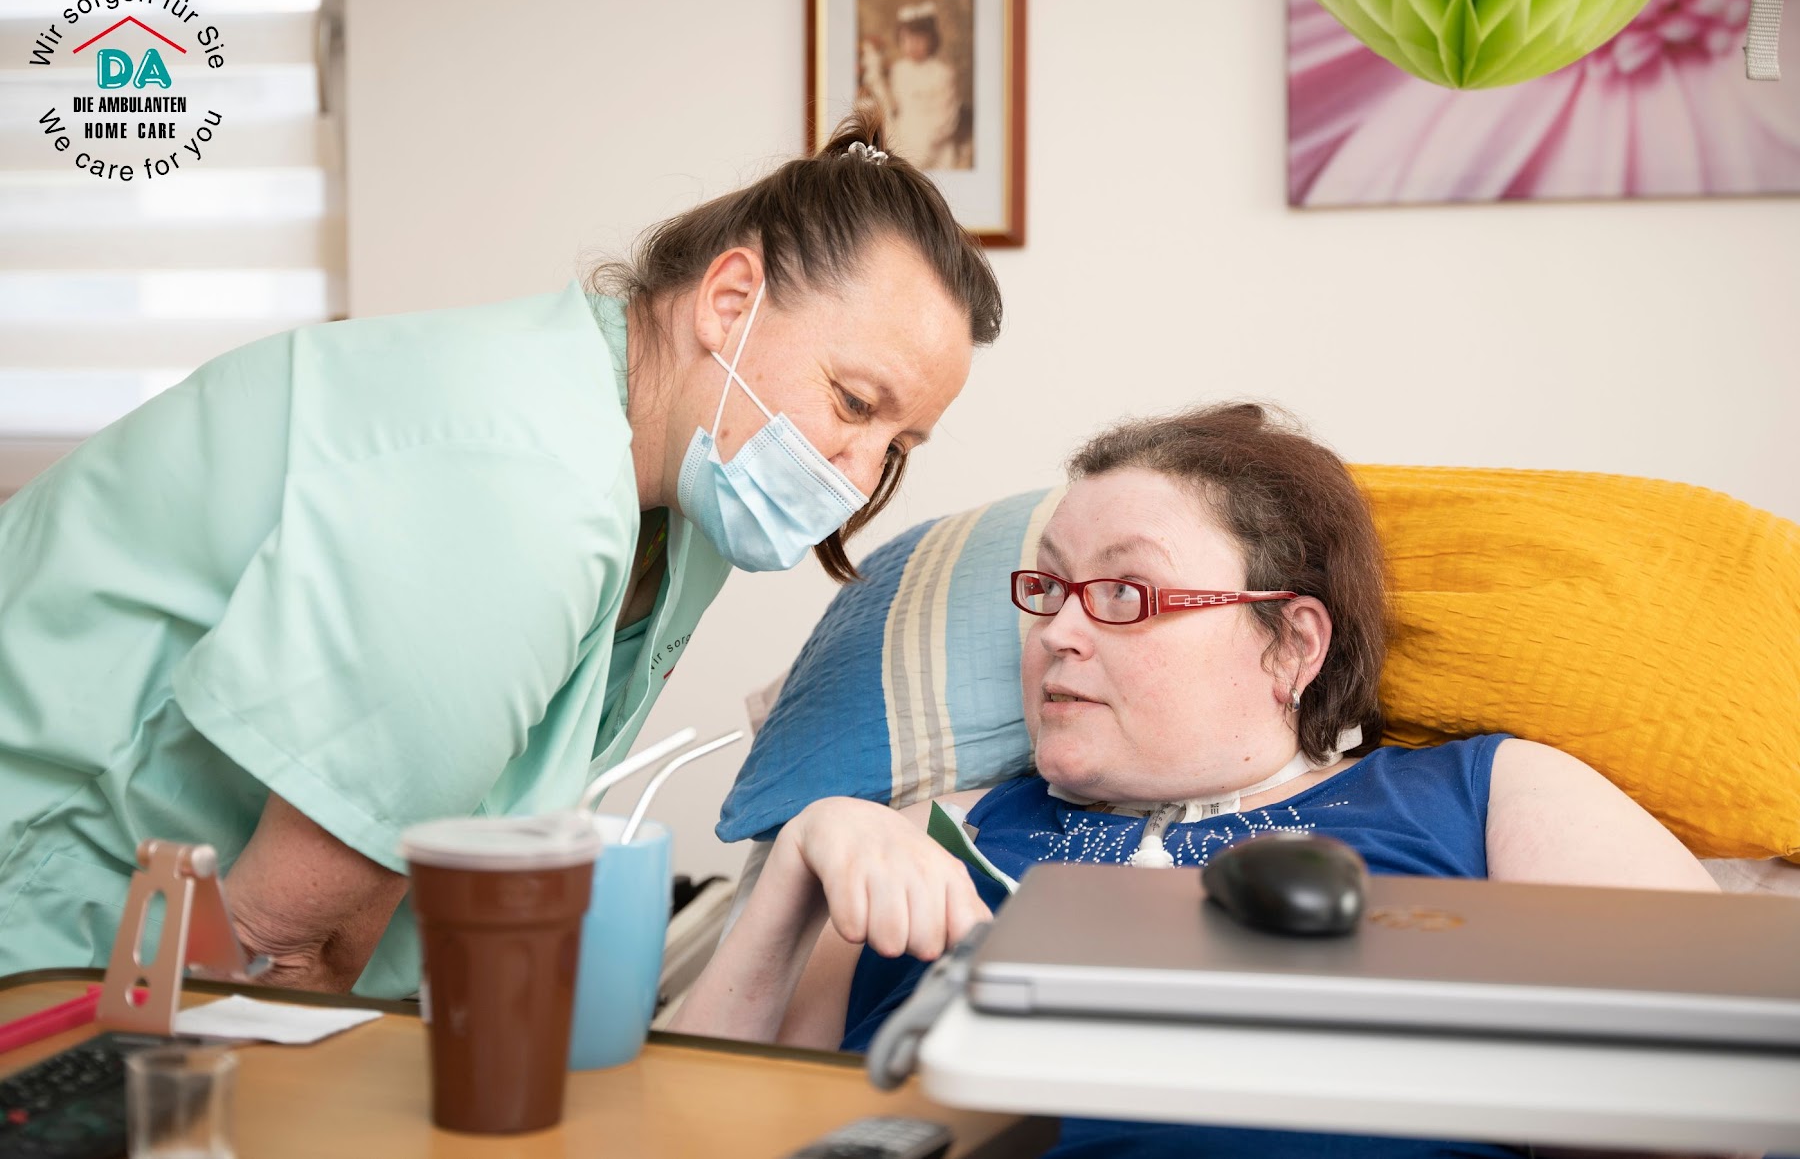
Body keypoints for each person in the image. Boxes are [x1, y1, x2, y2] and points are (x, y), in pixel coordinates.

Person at [0, 108, 1002, 998]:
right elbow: (278, 946)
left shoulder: (680, 498)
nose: (857, 473)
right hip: (55, 923)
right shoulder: (520, 484)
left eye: (898, 446)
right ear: (729, 301)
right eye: (854, 402)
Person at [672, 402, 1717, 1159]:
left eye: (1126, 592)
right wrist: (799, 864)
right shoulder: (919, 839)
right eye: (1049, 587)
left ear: (1290, 644)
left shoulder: (1487, 798)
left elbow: (1716, 1114)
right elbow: (684, 1132)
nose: (1058, 631)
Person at [859, 2, 967, 170]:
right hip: (905, 132)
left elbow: (948, 117)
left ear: (932, 39)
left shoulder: (942, 73)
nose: (912, 45)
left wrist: (928, 141)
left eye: (918, 39)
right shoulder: (899, 70)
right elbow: (892, 106)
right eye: (906, 39)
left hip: (935, 140)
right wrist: (878, 81)